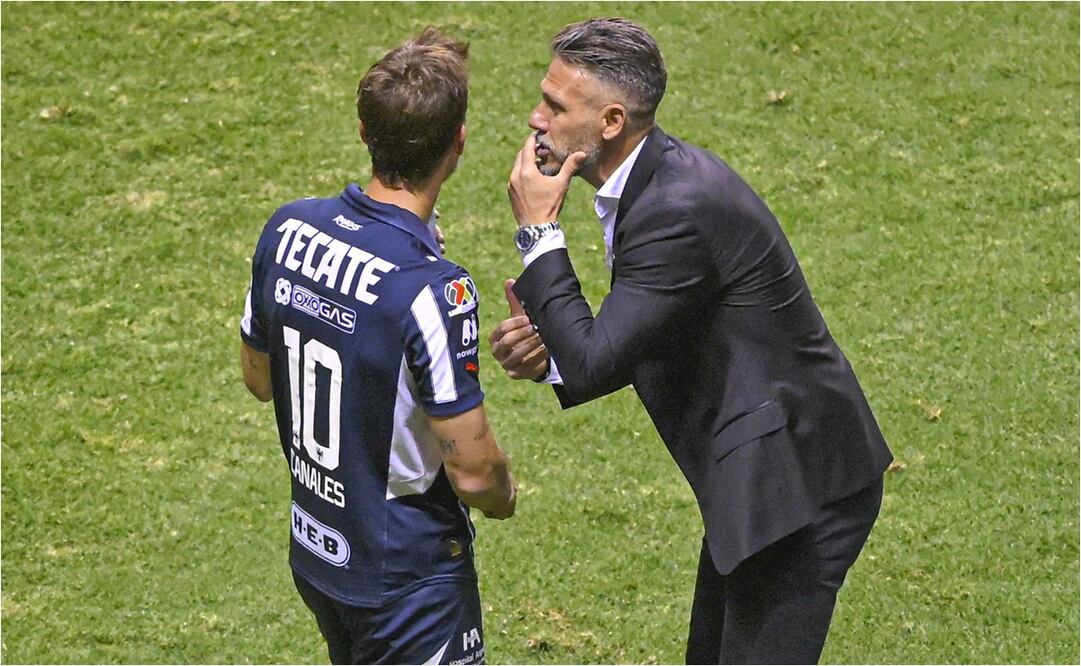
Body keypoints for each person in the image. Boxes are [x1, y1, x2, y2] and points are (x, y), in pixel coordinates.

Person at [490, 17, 893, 664]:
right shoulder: (655, 183)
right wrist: (549, 364)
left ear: (611, 122)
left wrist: (538, 232)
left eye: (555, 106)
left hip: (797, 488)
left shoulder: (675, 209)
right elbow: (628, 339)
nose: (536, 119)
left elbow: (595, 360)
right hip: (760, 473)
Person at [240, 27, 515, 665]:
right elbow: (473, 472)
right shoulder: (432, 290)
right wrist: (505, 495)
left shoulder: (286, 229)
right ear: (458, 145)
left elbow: (260, 377)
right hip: (408, 579)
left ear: (365, 133)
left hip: (319, 554)